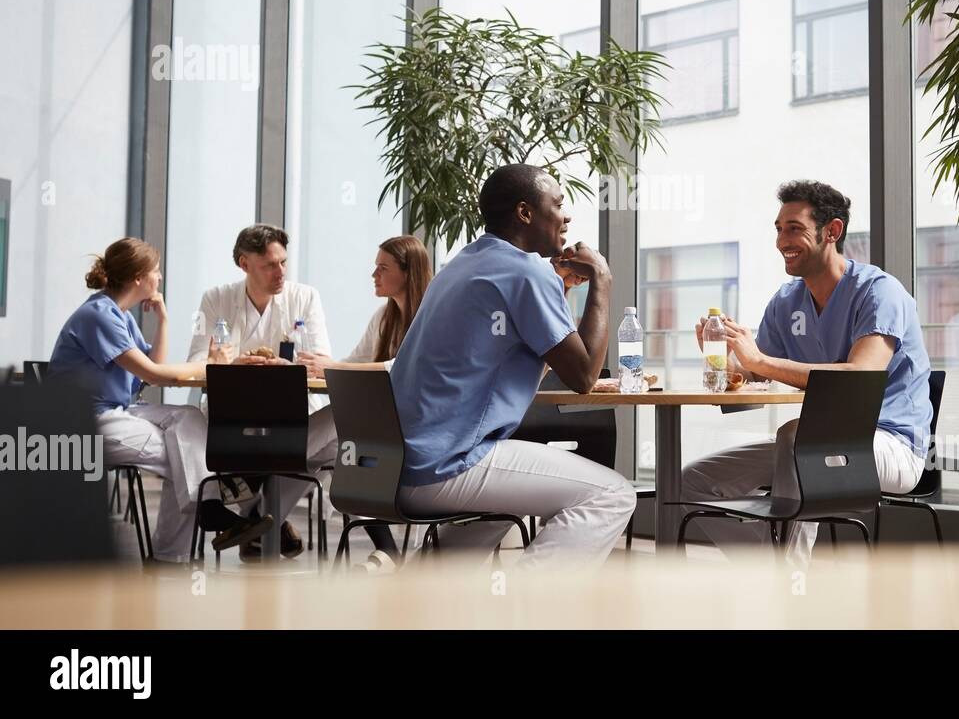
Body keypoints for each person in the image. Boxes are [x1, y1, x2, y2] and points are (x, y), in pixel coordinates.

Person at [389, 163, 635, 569]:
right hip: (448, 464)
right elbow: (584, 376)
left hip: (401, 463)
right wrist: (603, 281)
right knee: (611, 494)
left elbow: (521, 358)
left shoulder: (463, 264)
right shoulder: (525, 272)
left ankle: (417, 603)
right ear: (525, 213)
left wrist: (560, 291)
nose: (566, 214)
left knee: (508, 500)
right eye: (557, 204)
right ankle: (526, 610)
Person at [680, 180, 933, 564]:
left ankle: (787, 581)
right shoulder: (786, 301)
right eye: (779, 229)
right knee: (689, 481)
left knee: (797, 438)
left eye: (794, 229)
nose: (782, 240)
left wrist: (759, 362)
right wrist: (723, 358)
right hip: (808, 446)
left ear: (832, 231)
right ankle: (774, 566)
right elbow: (754, 375)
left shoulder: (880, 292)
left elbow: (858, 376)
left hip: (890, 446)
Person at [49, 238, 271, 562]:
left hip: (120, 412)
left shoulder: (120, 316)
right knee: (182, 454)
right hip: (85, 423)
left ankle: (204, 516)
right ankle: (178, 547)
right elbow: (155, 375)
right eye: (156, 271)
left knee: (189, 419)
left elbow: (151, 369)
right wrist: (215, 366)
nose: (160, 278)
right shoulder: (98, 315)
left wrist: (163, 320)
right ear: (139, 277)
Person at [186, 224, 335, 559]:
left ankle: (254, 519)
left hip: (291, 409)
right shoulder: (215, 298)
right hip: (232, 410)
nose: (280, 272)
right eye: (270, 265)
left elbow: (320, 360)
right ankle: (268, 521)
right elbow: (197, 359)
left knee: (315, 441)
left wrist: (290, 368)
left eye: (283, 262)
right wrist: (232, 363)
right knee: (199, 426)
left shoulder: (305, 297)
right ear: (244, 264)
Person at [301, 235, 433, 572]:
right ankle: (387, 551)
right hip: (380, 424)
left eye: (383, 268)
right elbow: (355, 361)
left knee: (336, 432)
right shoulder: (384, 317)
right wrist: (321, 365)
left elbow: (400, 368)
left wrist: (332, 366)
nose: (374, 275)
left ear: (408, 272)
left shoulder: (431, 317)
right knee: (344, 452)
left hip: (417, 425)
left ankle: (265, 471)